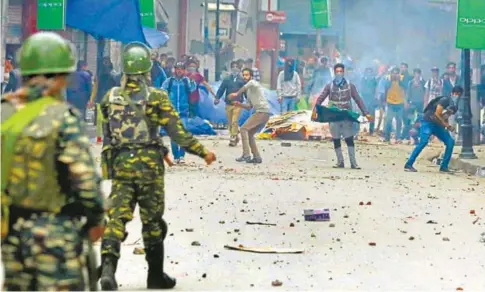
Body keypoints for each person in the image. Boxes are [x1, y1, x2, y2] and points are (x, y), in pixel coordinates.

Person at [98, 42, 216, 290]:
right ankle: (154, 276)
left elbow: (108, 135)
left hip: (121, 165)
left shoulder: (110, 98)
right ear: (146, 71)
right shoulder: (157, 97)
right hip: (149, 168)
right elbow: (178, 132)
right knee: (152, 220)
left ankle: (108, 271)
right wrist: (203, 152)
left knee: (117, 218)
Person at [1, 32, 105, 291]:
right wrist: (96, 219)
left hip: (11, 235)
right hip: (56, 232)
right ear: (59, 77)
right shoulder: (62, 117)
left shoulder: (3, 112)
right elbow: (84, 179)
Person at [314, 63, 372, 169]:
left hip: (346, 115)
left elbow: (358, 99)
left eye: (341, 71)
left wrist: (366, 112)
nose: (339, 73)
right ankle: (340, 162)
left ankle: (353, 163)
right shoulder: (330, 86)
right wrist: (315, 110)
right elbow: (320, 98)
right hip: (333, 115)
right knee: (336, 139)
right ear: (334, 72)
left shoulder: (350, 86)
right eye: (337, 71)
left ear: (343, 72)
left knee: (349, 139)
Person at [404, 85, 462, 173]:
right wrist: (447, 125)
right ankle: (409, 164)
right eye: (456, 94)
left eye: (459, 94)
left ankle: (444, 166)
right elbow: (437, 114)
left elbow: (445, 117)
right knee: (423, 142)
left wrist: (447, 126)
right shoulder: (445, 100)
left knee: (450, 141)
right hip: (428, 121)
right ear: (452, 93)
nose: (457, 96)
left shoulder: (454, 106)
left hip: (438, 125)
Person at [228, 68, 271, 164]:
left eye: (247, 75)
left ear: (251, 76)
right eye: (243, 75)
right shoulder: (248, 91)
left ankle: (246, 155)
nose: (245, 77)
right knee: (250, 133)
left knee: (243, 129)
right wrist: (239, 104)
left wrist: (236, 94)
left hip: (262, 112)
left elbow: (248, 85)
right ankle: (257, 157)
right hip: (263, 112)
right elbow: (249, 107)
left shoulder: (253, 83)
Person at [161, 62, 197, 164]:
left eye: (181, 69)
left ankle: (182, 156)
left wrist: (193, 82)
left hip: (184, 112)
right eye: (177, 68)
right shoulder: (169, 82)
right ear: (174, 70)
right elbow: (162, 92)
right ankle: (176, 156)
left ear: (184, 70)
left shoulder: (186, 82)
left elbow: (192, 89)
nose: (179, 71)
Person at [215, 60, 246, 146]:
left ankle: (233, 136)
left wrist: (249, 101)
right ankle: (235, 136)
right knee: (230, 122)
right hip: (228, 104)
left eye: (237, 67)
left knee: (234, 121)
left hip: (238, 103)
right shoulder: (227, 79)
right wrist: (217, 98)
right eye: (233, 67)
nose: (235, 69)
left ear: (239, 69)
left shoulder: (242, 80)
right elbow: (221, 89)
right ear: (231, 68)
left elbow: (246, 91)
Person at [379, 66, 407, 143]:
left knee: (399, 121)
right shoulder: (388, 79)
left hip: (400, 103)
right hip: (390, 103)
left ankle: (398, 138)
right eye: (393, 73)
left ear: (399, 73)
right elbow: (385, 89)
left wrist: (399, 80)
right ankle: (387, 137)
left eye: (396, 73)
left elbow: (405, 87)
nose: (395, 75)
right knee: (388, 121)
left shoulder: (402, 79)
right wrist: (384, 102)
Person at [403, 68, 426, 142]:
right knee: (409, 120)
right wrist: (406, 102)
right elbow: (408, 93)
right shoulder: (410, 83)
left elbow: (426, 93)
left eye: (418, 73)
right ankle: (407, 136)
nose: (417, 75)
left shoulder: (423, 83)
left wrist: (425, 103)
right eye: (415, 73)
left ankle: (418, 136)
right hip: (412, 104)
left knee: (420, 121)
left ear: (420, 74)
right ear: (414, 74)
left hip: (421, 104)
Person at [360, 67, 378, 135]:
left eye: (370, 72)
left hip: (371, 98)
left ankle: (371, 131)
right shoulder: (363, 79)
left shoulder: (374, 79)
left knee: (372, 114)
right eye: (367, 72)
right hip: (364, 98)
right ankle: (357, 130)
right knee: (361, 114)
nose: (369, 73)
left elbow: (376, 88)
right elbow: (360, 87)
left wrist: (376, 97)